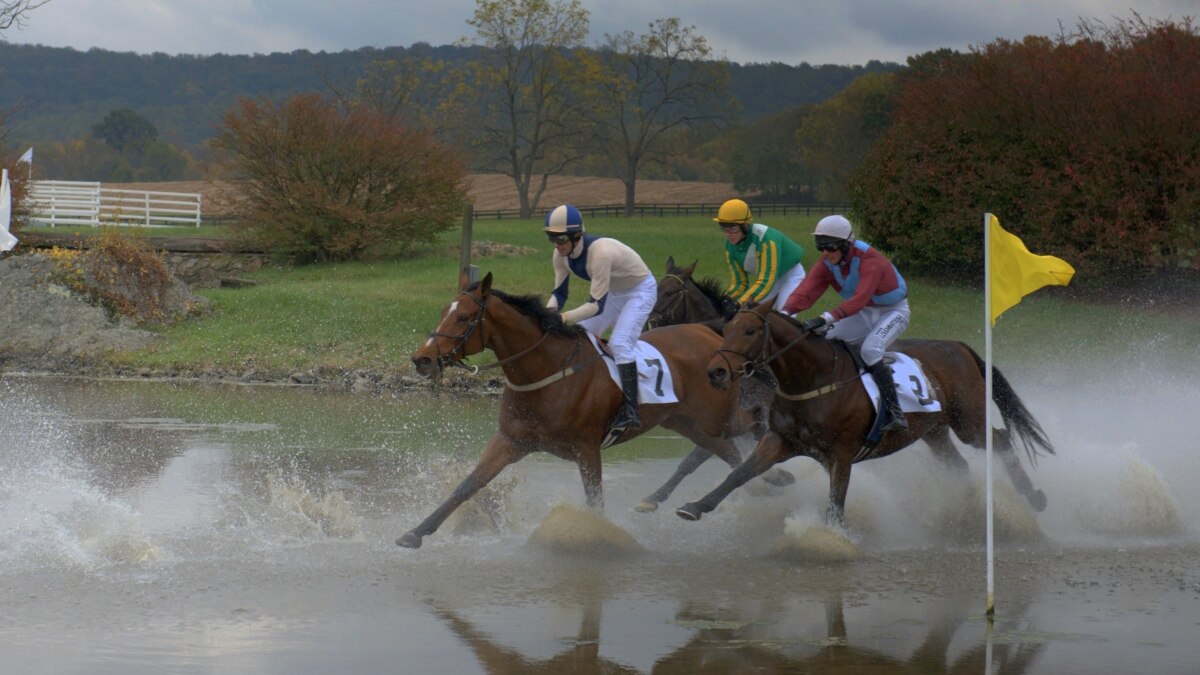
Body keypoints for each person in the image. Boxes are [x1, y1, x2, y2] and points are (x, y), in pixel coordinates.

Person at [781, 214, 911, 433]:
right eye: (820, 247)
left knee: (871, 350)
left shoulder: (871, 261)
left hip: (892, 312)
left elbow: (860, 298)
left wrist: (826, 318)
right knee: (826, 340)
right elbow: (806, 291)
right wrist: (785, 314)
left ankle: (895, 412)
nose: (824, 253)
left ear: (846, 244)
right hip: (863, 312)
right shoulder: (828, 262)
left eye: (830, 247)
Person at [544, 203, 656, 435]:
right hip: (614, 293)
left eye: (561, 238)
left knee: (620, 343)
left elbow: (595, 305)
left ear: (576, 236)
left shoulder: (600, 253)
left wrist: (562, 318)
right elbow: (559, 294)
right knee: (580, 336)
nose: (556, 245)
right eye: (551, 238)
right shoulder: (560, 255)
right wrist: (545, 316)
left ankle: (631, 410)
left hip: (640, 291)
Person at [714, 198, 807, 319]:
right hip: (770, 281)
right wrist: (725, 299)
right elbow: (739, 283)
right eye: (724, 229)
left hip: (791, 275)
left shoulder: (767, 240)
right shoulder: (729, 246)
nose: (728, 234)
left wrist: (738, 303)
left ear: (745, 225)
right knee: (751, 318)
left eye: (732, 229)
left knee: (784, 318)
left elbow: (766, 280)